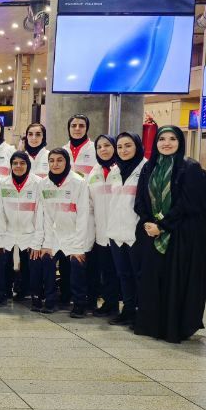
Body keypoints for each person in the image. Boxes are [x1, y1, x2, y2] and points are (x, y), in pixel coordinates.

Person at [134, 126, 206, 344]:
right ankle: (153, 325)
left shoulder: (189, 168)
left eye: (172, 139)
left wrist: (163, 226)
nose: (166, 143)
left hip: (180, 235)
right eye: (162, 139)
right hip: (153, 233)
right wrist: (148, 221)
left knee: (175, 281)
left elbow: (188, 203)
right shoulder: (149, 167)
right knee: (153, 280)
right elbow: (140, 200)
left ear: (180, 142)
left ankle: (173, 327)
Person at [35, 148, 94, 317]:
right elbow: (45, 215)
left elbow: (83, 216)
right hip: (54, 235)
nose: (55, 164)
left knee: (76, 263)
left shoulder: (79, 183)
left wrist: (78, 246)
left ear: (67, 162)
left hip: (75, 235)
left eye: (59, 160)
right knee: (47, 260)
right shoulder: (43, 184)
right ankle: (50, 301)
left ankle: (79, 304)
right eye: (51, 160)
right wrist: (46, 243)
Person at [107, 132, 147, 326]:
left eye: (128, 145)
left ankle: (142, 312)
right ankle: (128, 310)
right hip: (116, 231)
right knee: (123, 274)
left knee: (139, 275)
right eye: (120, 147)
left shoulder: (146, 168)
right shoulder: (114, 170)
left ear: (137, 146)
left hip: (136, 232)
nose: (123, 150)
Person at [0, 151, 40, 309]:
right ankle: (2, 293)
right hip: (8, 231)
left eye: (22, 163)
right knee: (2, 263)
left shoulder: (38, 184)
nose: (18, 166)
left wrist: (37, 240)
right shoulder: (3, 184)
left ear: (28, 165)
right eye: (15, 163)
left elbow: (40, 213)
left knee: (30, 265)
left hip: (29, 232)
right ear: (11, 165)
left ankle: (28, 293)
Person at [86, 135, 121, 316]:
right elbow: (89, 203)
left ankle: (129, 308)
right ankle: (110, 304)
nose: (103, 150)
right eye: (99, 147)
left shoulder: (122, 169)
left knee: (122, 271)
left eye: (107, 145)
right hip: (100, 230)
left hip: (121, 230)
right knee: (106, 270)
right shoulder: (94, 172)